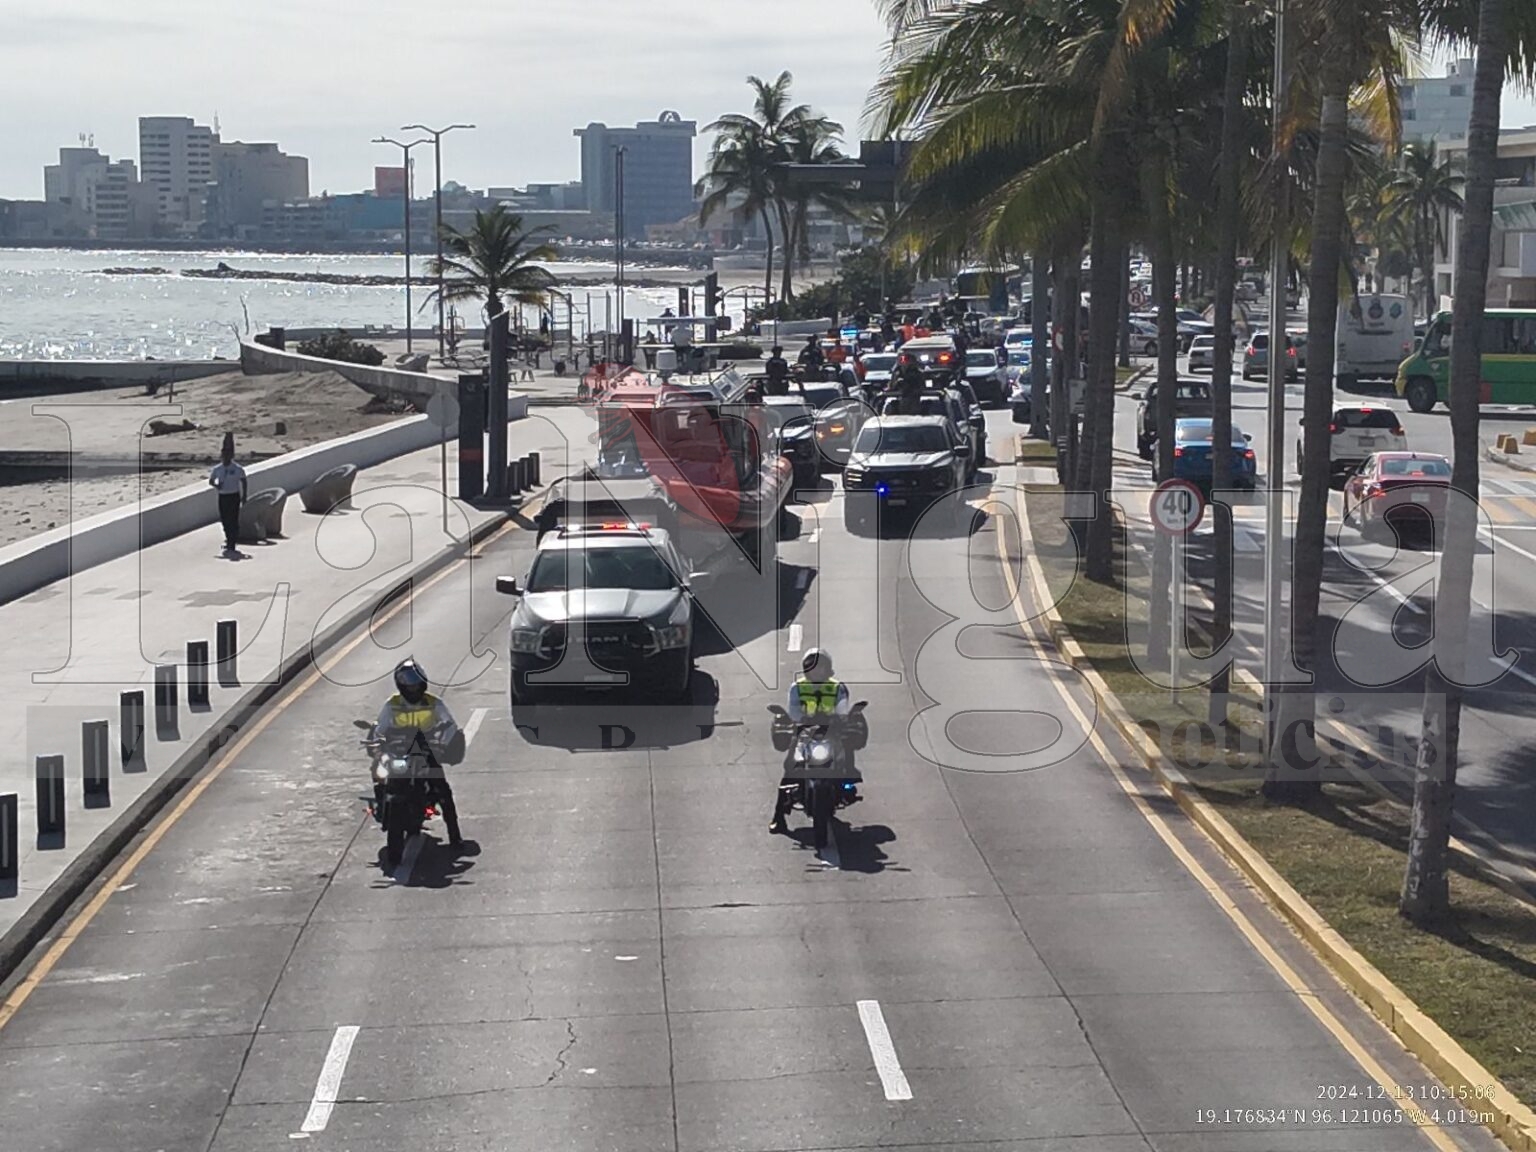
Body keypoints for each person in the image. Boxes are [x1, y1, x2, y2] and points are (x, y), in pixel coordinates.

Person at [375, 658, 466, 846]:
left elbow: (449, 725)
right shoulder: (392, 704)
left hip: (426, 751)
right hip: (399, 751)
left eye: (416, 685)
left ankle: (455, 835)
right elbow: (380, 728)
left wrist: (443, 743)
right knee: (381, 775)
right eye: (409, 685)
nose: (413, 689)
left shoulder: (434, 703)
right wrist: (378, 744)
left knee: (442, 790)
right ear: (400, 685)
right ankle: (383, 807)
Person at [771, 648, 853, 834]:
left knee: (845, 752)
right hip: (805, 731)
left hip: (830, 730)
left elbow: (843, 708)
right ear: (806, 669)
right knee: (790, 765)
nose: (817, 671)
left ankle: (847, 785)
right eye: (813, 668)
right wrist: (798, 720)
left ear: (828, 669)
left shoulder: (837, 687)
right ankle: (778, 816)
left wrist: (841, 718)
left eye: (821, 668)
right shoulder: (797, 687)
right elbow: (793, 710)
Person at [208, 432, 247, 554]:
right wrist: (216, 485)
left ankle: (232, 542)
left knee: (233, 519)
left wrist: (244, 495)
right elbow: (211, 481)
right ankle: (228, 538)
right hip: (223, 496)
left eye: (227, 455)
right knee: (224, 519)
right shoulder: (217, 469)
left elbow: (243, 480)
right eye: (224, 455)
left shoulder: (237, 468)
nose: (225, 457)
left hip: (233, 496)